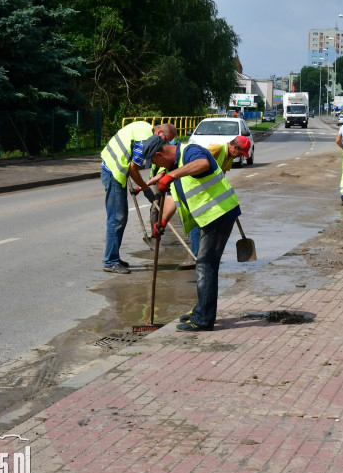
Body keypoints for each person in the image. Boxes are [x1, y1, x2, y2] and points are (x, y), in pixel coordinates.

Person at [147, 136, 241, 332]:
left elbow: (203, 163)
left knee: (206, 265)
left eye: (154, 162)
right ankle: (201, 310)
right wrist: (162, 221)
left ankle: (203, 319)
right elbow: (173, 197)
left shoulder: (190, 152)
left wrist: (171, 176)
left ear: (160, 154)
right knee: (205, 264)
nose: (155, 167)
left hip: (220, 213)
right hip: (210, 217)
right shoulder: (175, 166)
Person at [99, 121, 176, 273]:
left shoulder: (144, 126)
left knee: (121, 217)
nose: (164, 144)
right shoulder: (144, 141)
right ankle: (110, 261)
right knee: (117, 218)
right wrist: (146, 189)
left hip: (112, 165)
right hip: (114, 172)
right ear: (160, 134)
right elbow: (133, 169)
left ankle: (113, 256)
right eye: (165, 140)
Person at [183, 136, 251, 264]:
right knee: (196, 222)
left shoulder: (229, 157)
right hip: (195, 191)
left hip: (208, 193)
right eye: (240, 153)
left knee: (210, 224)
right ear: (235, 147)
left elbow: (221, 176)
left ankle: (205, 255)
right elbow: (194, 164)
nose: (239, 157)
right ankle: (197, 257)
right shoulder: (216, 149)